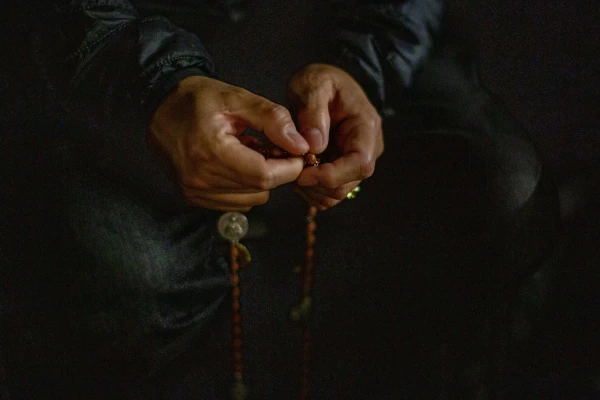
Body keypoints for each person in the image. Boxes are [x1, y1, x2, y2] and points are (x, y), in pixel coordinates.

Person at [0, 0, 558, 398]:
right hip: (108, 40)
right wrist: (156, 87)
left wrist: (361, 63)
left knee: (504, 189)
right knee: (127, 277)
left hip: (350, 23)